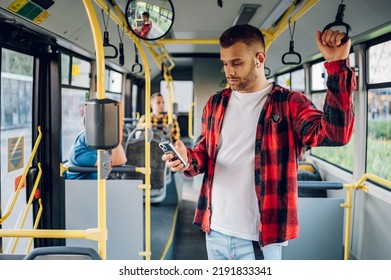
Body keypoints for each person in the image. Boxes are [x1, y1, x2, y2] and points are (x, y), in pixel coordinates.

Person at [162, 24, 355, 260]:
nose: (228, 71)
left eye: (236, 63)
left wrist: (337, 67)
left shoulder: (290, 103)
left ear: (259, 59)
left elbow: (336, 134)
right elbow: (205, 154)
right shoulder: (215, 104)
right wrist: (186, 158)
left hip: (259, 239)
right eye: (224, 63)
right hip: (214, 230)